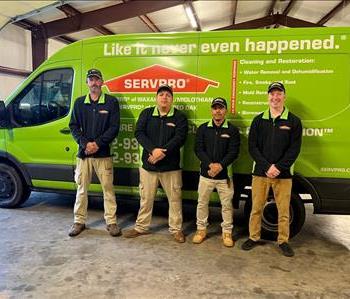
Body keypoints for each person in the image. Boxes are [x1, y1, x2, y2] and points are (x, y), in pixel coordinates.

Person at [241, 82, 302, 257]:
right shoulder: (258, 120)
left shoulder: (294, 121)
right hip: (260, 173)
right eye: (272, 94)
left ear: (284, 96)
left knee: (283, 211)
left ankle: (283, 241)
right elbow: (252, 147)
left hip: (283, 175)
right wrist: (267, 166)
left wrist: (278, 167)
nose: (275, 97)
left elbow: (294, 150)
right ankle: (253, 237)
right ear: (268, 96)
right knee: (256, 208)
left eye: (279, 94)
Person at [123, 84, 188, 243]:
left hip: (171, 168)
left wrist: (161, 153)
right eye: (161, 95)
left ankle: (176, 230)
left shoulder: (179, 117)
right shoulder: (146, 113)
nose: (164, 97)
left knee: (174, 200)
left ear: (172, 99)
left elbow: (180, 138)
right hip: (149, 167)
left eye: (168, 95)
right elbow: (139, 133)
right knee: (146, 199)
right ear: (156, 98)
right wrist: (153, 150)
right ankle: (141, 227)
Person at [68, 69, 120, 237]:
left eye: (97, 79)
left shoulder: (111, 103)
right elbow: (73, 126)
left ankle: (111, 222)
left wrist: (97, 144)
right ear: (87, 83)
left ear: (102, 82)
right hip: (84, 155)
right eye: (91, 80)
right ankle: (79, 221)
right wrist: (85, 144)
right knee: (82, 189)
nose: (94, 83)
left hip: (103, 154)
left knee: (108, 189)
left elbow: (114, 127)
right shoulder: (79, 103)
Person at [192, 97, 240, 247]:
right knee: (202, 203)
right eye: (215, 108)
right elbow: (198, 149)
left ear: (225, 110)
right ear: (211, 110)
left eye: (221, 108)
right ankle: (201, 230)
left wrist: (220, 166)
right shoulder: (203, 129)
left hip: (225, 176)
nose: (218, 111)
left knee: (226, 205)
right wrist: (210, 165)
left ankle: (227, 233)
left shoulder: (232, 130)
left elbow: (234, 152)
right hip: (206, 175)